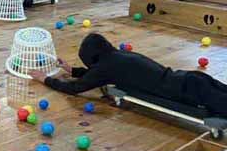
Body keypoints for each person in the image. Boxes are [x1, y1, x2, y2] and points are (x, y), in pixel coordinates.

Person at [29, 33, 227, 117]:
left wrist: (44, 78)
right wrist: (72, 70)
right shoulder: (117, 56)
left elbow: (74, 88)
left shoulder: (105, 67)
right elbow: (98, 74)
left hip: (185, 91)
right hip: (189, 78)